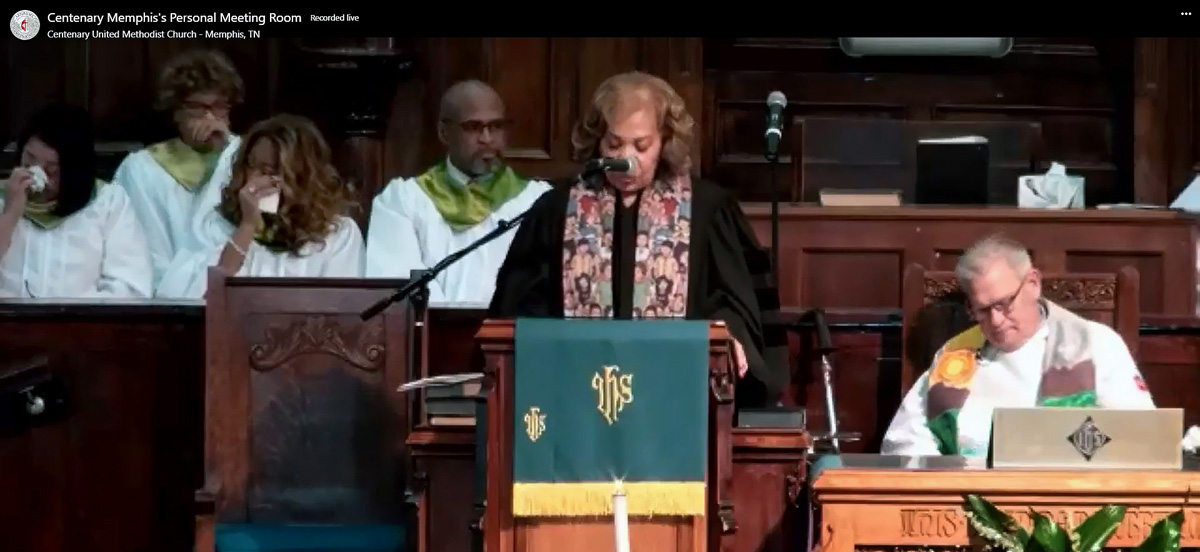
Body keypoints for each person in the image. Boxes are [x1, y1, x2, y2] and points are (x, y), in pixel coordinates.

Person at [876, 233, 1155, 552]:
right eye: (981, 311)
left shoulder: (1092, 345)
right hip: (971, 526)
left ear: (1033, 282)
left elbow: (1142, 434)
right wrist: (954, 469)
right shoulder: (957, 359)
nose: (996, 321)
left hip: (1076, 526)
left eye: (1004, 304)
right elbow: (903, 440)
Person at [487, 71, 784, 405]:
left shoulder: (708, 210)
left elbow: (733, 304)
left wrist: (726, 334)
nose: (626, 159)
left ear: (665, 141)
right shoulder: (558, 209)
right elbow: (521, 310)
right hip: (574, 400)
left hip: (677, 402)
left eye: (641, 146)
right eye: (614, 144)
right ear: (597, 140)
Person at [364, 80, 549, 305]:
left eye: (496, 127)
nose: (487, 139)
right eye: (474, 127)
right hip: (432, 335)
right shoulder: (403, 201)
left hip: (509, 334)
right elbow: (397, 283)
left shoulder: (537, 201)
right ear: (444, 133)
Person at [155, 114, 364, 299]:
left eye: (268, 171)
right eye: (250, 166)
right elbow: (189, 300)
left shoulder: (338, 235)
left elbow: (341, 310)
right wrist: (246, 228)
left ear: (301, 177)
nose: (253, 180)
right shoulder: (217, 225)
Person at [113, 49, 244, 290]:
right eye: (198, 107)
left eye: (219, 107)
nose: (210, 118)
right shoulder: (143, 168)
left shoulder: (246, 159)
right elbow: (138, 249)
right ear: (176, 111)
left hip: (232, 288)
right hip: (165, 292)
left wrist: (229, 151)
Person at [0, 103, 153, 299]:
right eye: (29, 158)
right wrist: (10, 213)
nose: (36, 172)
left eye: (52, 169)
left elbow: (130, 286)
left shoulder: (108, 202)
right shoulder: (4, 196)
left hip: (82, 324)